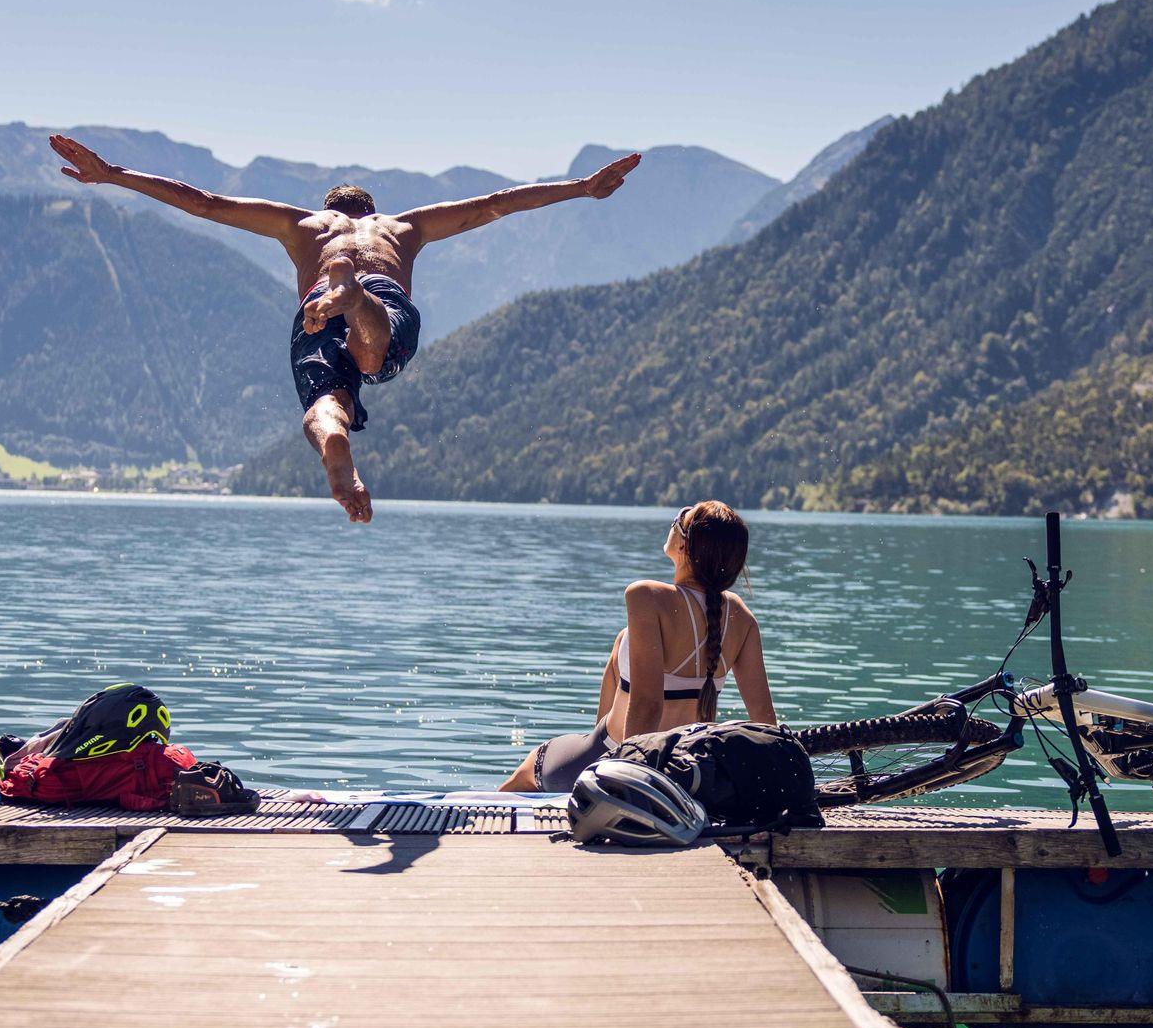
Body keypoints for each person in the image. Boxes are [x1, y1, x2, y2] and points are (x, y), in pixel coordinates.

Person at [47, 134, 641, 522]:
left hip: (316, 305)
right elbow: (496, 203)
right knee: (374, 353)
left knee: (325, 404)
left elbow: (202, 202)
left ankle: (338, 432)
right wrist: (581, 188)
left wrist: (113, 173)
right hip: (382, 299)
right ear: (371, 212)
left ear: (330, 210)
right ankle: (356, 301)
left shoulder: (303, 225)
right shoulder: (403, 228)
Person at [503, 501, 776, 793]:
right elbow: (766, 722)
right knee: (623, 640)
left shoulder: (647, 596)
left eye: (680, 518)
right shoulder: (741, 617)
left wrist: (630, 786)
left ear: (683, 546)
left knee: (527, 771)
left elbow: (647, 705)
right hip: (689, 767)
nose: (674, 520)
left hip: (624, 761)